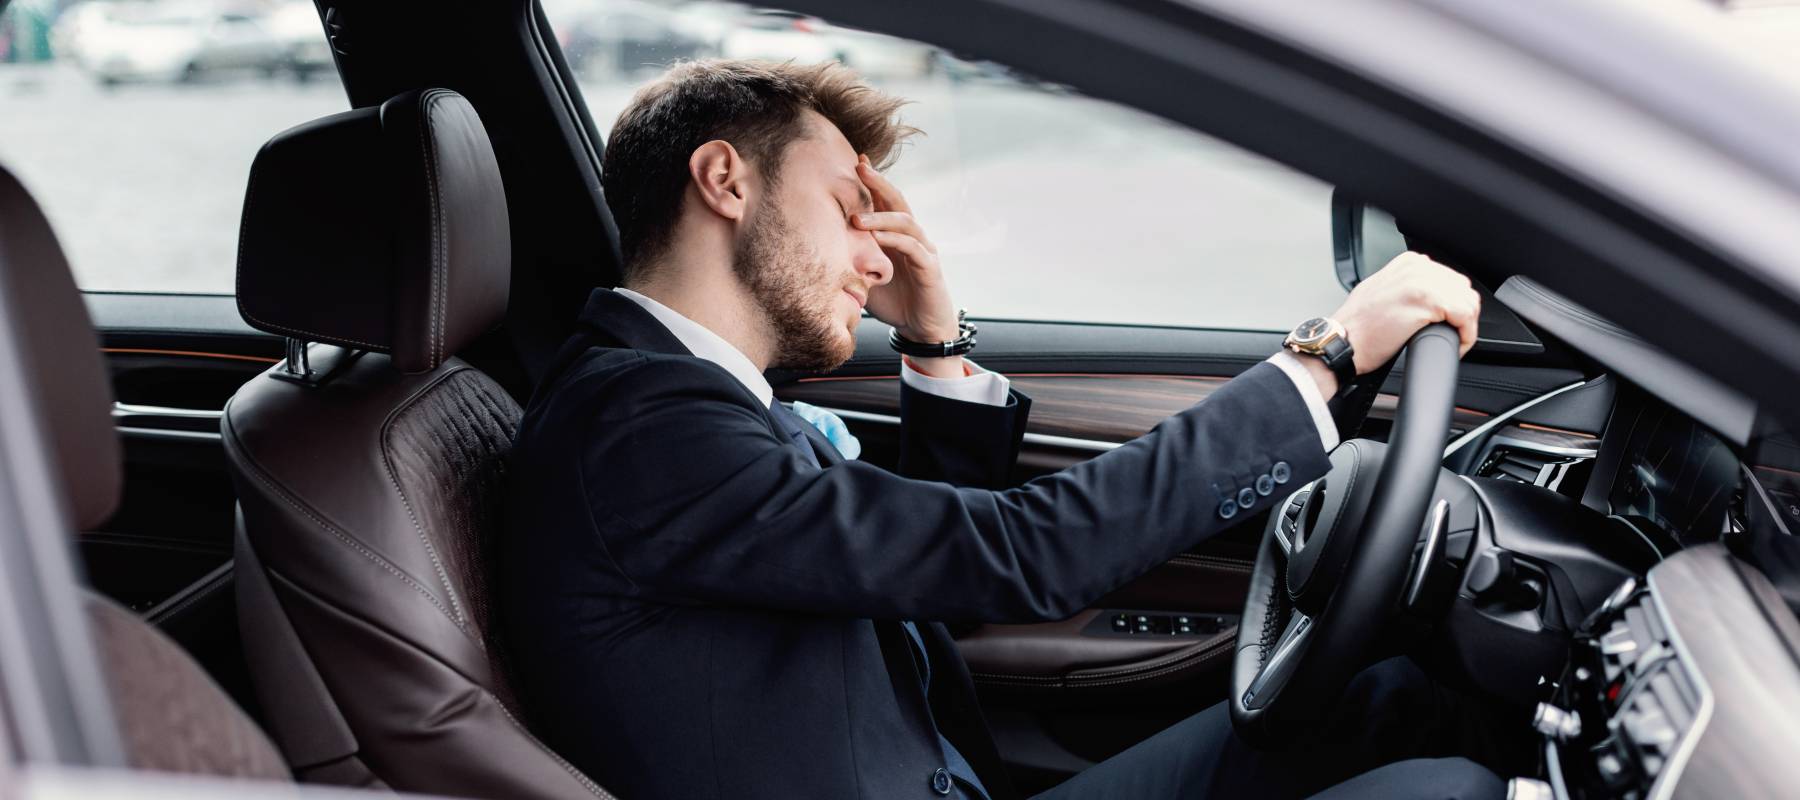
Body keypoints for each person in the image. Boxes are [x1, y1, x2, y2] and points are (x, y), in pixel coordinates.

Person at [499, 59, 1502, 799]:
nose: (880, 254)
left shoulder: (688, 394)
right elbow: (1021, 549)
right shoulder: (636, 427)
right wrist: (1321, 357)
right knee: (1447, 792)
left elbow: (929, 578)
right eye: (854, 205)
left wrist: (937, 342)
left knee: (1392, 696)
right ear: (724, 180)